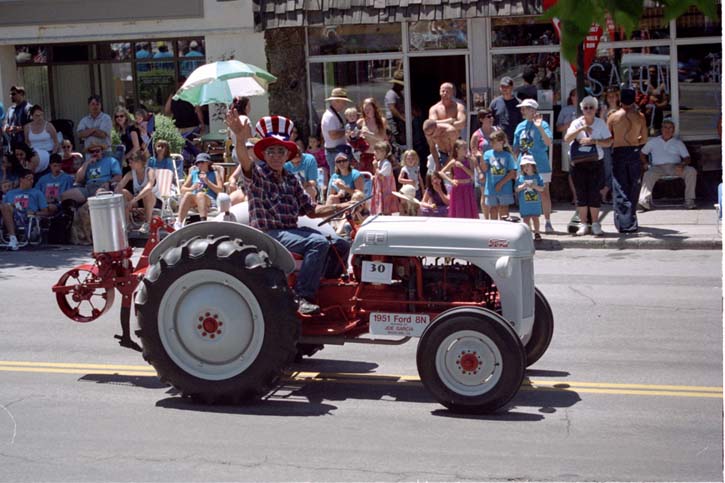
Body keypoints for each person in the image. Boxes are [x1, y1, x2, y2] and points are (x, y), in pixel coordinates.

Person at [226, 111, 354, 315]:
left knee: (341, 244)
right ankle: (302, 296)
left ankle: (324, 287)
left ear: (287, 155)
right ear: (263, 155)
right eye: (271, 152)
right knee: (318, 243)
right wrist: (240, 137)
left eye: (280, 151)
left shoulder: (292, 180)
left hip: (291, 233)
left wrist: (342, 206)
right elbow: (244, 159)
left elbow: (312, 211)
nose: (276, 156)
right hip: (268, 234)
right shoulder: (257, 175)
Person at [564, 96, 613, 236]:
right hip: (578, 163)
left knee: (594, 194)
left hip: (595, 162)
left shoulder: (600, 123)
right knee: (581, 194)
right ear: (582, 109)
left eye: (591, 107)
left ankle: (596, 223)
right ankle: (584, 223)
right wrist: (582, 128)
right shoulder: (576, 123)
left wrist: (594, 141)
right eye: (586, 107)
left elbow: (609, 142)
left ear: (596, 109)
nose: (589, 110)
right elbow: (567, 139)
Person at [606, 88, 648, 233]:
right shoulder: (640, 116)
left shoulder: (613, 117)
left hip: (618, 151)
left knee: (620, 187)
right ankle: (631, 220)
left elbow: (608, 138)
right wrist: (634, 141)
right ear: (634, 100)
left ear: (620, 100)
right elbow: (645, 138)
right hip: (634, 151)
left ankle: (625, 223)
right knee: (633, 186)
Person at [512, 98, 554, 232]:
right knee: (525, 192)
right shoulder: (520, 126)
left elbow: (548, 142)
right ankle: (528, 223)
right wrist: (515, 165)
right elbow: (515, 147)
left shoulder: (544, 124)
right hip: (523, 164)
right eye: (522, 109)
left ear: (532, 110)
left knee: (544, 192)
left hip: (540, 163)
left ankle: (547, 221)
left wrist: (540, 127)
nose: (522, 111)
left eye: (524, 108)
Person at [638, 118, 697, 210]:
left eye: (670, 128)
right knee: (648, 174)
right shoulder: (653, 141)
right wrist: (645, 163)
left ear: (673, 130)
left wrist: (682, 164)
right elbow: (642, 153)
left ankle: (689, 200)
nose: (667, 130)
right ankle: (644, 201)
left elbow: (687, 158)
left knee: (691, 171)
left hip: (675, 167)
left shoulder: (678, 142)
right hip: (658, 168)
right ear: (661, 129)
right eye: (665, 127)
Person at [1, 168, 49, 250]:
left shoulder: (37, 193)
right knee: (5, 206)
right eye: (28, 179)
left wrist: (35, 213)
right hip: (9, 215)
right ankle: (12, 237)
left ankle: (13, 238)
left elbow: (46, 212)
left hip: (26, 217)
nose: (31, 181)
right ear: (21, 180)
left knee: (6, 206)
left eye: (32, 179)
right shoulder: (10, 193)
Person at [115, 151, 160, 233]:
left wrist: (133, 201)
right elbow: (119, 186)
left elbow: (149, 187)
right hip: (137, 201)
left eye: (131, 162)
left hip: (152, 201)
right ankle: (127, 224)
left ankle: (147, 223)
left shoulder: (150, 171)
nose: (129, 165)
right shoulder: (130, 174)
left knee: (147, 192)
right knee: (123, 192)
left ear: (139, 162)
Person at [175, 153, 223, 228]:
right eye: (198, 163)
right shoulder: (194, 173)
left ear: (208, 163)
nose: (199, 165)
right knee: (188, 194)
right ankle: (178, 223)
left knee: (200, 194)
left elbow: (220, 190)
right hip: (194, 200)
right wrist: (192, 188)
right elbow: (182, 189)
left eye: (202, 162)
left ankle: (203, 223)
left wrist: (207, 181)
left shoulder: (214, 173)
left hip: (209, 200)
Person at [470, 108, 501, 219]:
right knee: (485, 194)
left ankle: (495, 219)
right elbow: (473, 154)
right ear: (481, 119)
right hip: (482, 167)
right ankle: (486, 219)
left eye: (491, 116)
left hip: (497, 167)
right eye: (488, 117)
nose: (491, 118)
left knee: (496, 194)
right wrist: (479, 171)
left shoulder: (497, 130)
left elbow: (504, 146)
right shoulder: (476, 135)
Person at [480, 131, 517, 220]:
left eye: (494, 142)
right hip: (491, 187)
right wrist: (481, 157)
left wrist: (500, 183)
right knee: (493, 209)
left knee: (504, 208)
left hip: (505, 188)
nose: (492, 144)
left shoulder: (507, 156)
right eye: (491, 142)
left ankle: (504, 229)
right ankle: (494, 230)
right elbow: (485, 169)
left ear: (501, 142)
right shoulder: (488, 154)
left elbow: (512, 173)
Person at [440, 139, 478, 219]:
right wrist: (450, 181)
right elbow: (441, 172)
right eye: (463, 148)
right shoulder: (453, 161)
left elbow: (472, 174)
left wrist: (462, 166)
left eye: (466, 148)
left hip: (467, 187)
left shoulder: (469, 160)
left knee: (468, 208)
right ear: (457, 149)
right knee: (458, 208)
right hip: (458, 187)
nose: (465, 150)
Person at [321, 87, 354, 175]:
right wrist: (346, 131)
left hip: (336, 151)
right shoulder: (330, 116)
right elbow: (333, 135)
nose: (345, 104)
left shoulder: (333, 114)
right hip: (334, 152)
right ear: (336, 101)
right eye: (343, 102)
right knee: (336, 178)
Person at [599, 85, 621, 204]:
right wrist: (602, 115)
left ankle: (607, 191)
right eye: (609, 97)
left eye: (614, 96)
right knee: (607, 169)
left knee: (617, 169)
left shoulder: (622, 110)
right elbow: (602, 128)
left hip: (619, 142)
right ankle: (606, 192)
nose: (612, 99)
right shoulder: (604, 111)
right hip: (606, 142)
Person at [556, 88, 579, 205]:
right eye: (574, 95)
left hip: (582, 142)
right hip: (568, 143)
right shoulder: (565, 110)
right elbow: (558, 128)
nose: (577, 98)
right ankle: (575, 196)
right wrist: (568, 124)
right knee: (571, 171)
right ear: (571, 97)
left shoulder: (585, 109)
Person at [516, 155, 545, 240]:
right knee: (526, 219)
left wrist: (534, 186)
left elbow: (542, 188)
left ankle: (537, 232)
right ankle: (527, 233)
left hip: (535, 202)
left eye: (528, 165)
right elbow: (516, 189)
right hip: (525, 203)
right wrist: (523, 186)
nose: (526, 168)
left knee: (535, 218)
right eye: (524, 166)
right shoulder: (520, 178)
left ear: (533, 166)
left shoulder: (538, 177)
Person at [23, 105, 58, 176]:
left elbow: (56, 142)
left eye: (41, 115)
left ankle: (32, 176)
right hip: (34, 152)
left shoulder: (48, 126)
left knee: (34, 160)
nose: (40, 118)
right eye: (37, 116)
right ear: (32, 116)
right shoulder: (27, 127)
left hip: (48, 152)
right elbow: (27, 142)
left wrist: (53, 155)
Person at [489, 76, 523, 145]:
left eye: (507, 87)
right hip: (499, 142)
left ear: (512, 87)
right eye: (502, 87)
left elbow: (523, 122)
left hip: (515, 141)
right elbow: (489, 120)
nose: (504, 89)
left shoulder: (519, 104)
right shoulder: (494, 103)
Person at [358, 98, 387, 174]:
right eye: (365, 109)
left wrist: (368, 134)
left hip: (379, 155)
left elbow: (382, 138)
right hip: (365, 155)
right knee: (367, 179)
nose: (367, 111)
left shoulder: (382, 121)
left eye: (369, 109)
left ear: (374, 109)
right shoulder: (361, 121)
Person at [370, 141, 399, 215]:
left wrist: (376, 167)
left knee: (386, 208)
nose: (375, 153)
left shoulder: (386, 163)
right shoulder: (379, 162)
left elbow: (381, 176)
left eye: (377, 152)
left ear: (383, 153)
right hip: (379, 189)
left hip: (385, 191)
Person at [385, 71, 406, 145]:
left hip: (399, 120)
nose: (403, 87)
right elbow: (392, 108)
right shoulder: (391, 94)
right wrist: (403, 118)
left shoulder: (399, 93)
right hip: (393, 120)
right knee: (397, 138)